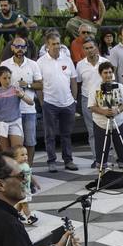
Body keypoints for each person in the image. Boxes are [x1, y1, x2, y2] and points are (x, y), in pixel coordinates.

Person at [34, 30, 77, 173]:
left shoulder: (67, 59)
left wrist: (74, 100)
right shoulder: (40, 62)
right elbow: (39, 85)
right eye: (54, 44)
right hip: (50, 103)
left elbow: (73, 81)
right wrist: (42, 101)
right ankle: (51, 161)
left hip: (68, 103)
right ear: (47, 45)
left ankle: (68, 160)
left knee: (66, 134)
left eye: (58, 43)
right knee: (50, 135)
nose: (57, 46)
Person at [0, 36, 42, 155]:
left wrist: (27, 85)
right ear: (12, 48)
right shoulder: (5, 64)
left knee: (30, 142)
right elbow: (0, 85)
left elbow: (40, 85)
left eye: (22, 46)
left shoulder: (33, 64)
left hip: (28, 109)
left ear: (26, 49)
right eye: (17, 46)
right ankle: (16, 171)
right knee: (15, 145)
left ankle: (28, 171)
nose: (20, 49)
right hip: (10, 111)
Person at [88, 61, 123, 174]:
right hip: (101, 122)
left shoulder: (120, 87)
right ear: (100, 74)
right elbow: (91, 106)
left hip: (119, 121)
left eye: (110, 72)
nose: (108, 75)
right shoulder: (95, 88)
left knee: (122, 145)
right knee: (102, 147)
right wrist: (103, 111)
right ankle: (102, 170)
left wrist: (117, 110)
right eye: (105, 72)